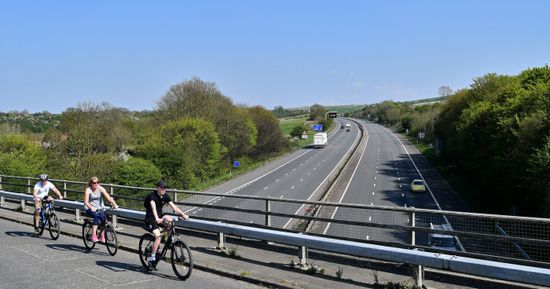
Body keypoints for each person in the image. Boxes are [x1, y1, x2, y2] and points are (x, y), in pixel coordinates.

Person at [144, 180, 189, 269]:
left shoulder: (165, 196)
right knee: (157, 237)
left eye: (165, 188)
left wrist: (183, 214)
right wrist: (157, 218)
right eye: (161, 188)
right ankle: (152, 257)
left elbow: (174, 207)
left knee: (170, 220)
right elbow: (153, 208)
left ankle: (168, 240)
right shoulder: (152, 196)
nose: (163, 190)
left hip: (160, 216)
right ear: (157, 188)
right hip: (151, 218)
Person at [84, 176, 119, 243]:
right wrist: (91, 207)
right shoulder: (88, 190)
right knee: (96, 217)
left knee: (104, 219)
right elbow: (86, 202)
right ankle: (94, 235)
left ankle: (102, 234)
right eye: (94, 183)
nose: (96, 184)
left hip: (100, 208)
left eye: (98, 182)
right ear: (91, 183)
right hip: (89, 208)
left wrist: (115, 204)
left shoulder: (100, 188)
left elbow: (108, 197)